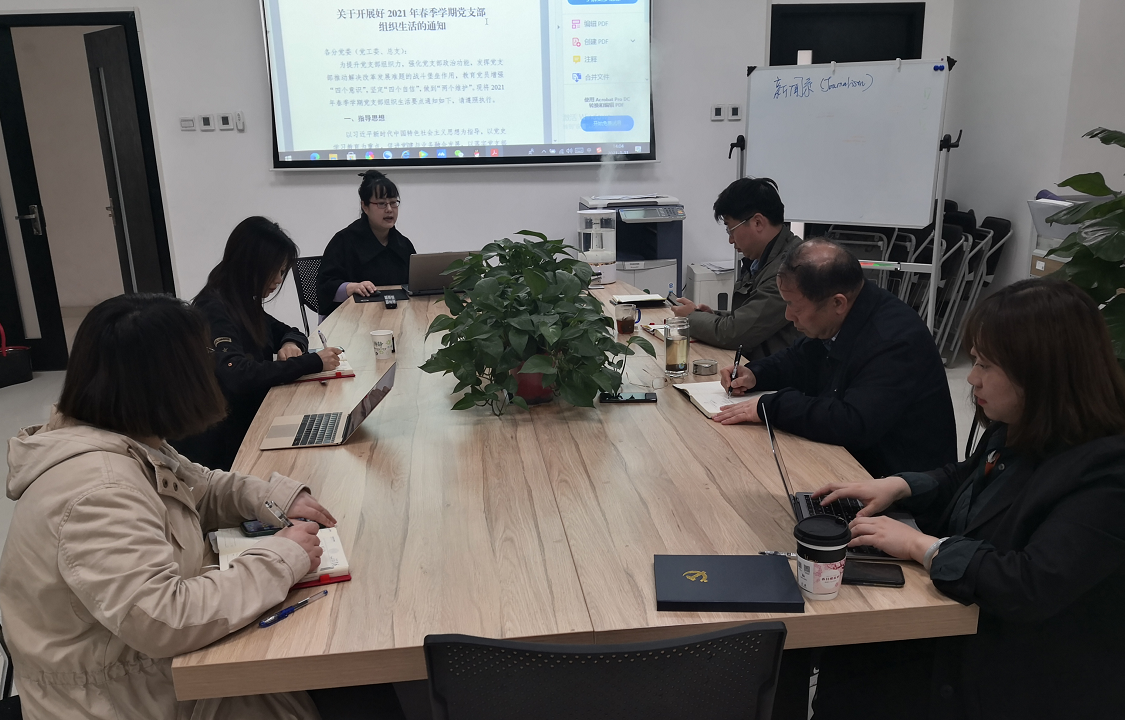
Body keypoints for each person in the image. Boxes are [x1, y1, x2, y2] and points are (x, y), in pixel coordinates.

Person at [0, 294, 333, 720]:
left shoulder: (124, 435)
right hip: (123, 700)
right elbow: (164, 618)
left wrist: (276, 498)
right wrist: (281, 558)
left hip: (144, 674)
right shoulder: (98, 490)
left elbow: (200, 488)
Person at [808, 278, 1125, 719]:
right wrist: (899, 485)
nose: (972, 378)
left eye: (986, 365)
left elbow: (1030, 584)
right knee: (841, 661)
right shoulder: (1022, 424)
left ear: (1042, 374)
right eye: (974, 360)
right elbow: (970, 476)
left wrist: (922, 546)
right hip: (970, 630)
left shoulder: (1107, 474)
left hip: (1019, 673)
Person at [717, 238, 956, 477]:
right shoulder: (844, 313)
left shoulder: (893, 341)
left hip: (894, 481)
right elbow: (799, 359)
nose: (788, 315)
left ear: (837, 303)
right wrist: (756, 374)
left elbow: (853, 423)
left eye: (794, 306)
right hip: (853, 461)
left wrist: (773, 406)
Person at [173, 217, 341, 471]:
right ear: (251, 265)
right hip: (222, 443)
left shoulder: (242, 302)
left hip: (249, 419)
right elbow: (236, 372)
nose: (278, 280)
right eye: (275, 270)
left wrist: (290, 343)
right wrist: (313, 362)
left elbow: (290, 331)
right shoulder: (214, 307)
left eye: (283, 272)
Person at [669, 177, 802, 357]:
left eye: (730, 230)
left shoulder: (790, 268)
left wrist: (690, 318)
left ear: (757, 222)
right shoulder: (762, 260)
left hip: (776, 371)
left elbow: (736, 334)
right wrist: (711, 316)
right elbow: (748, 319)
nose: (731, 240)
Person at [317, 169, 417, 315]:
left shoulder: (403, 244)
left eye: (393, 203)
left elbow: (414, 286)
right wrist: (350, 287)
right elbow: (324, 287)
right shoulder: (343, 241)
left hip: (397, 315)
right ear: (365, 206)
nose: (389, 209)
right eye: (381, 204)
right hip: (351, 317)